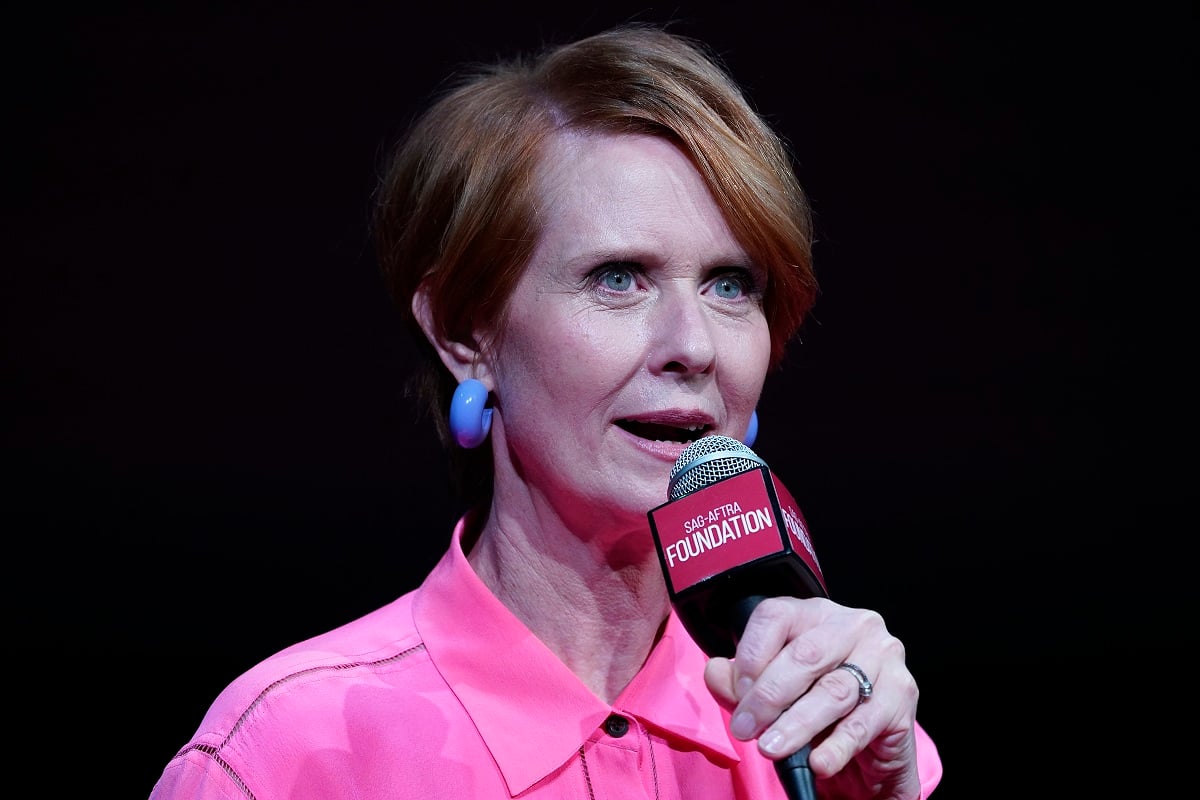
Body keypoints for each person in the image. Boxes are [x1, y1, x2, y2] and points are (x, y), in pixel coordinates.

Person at [149, 23, 942, 800]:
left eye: (730, 284)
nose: (693, 346)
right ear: (467, 332)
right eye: (618, 277)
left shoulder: (834, 736)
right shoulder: (288, 753)